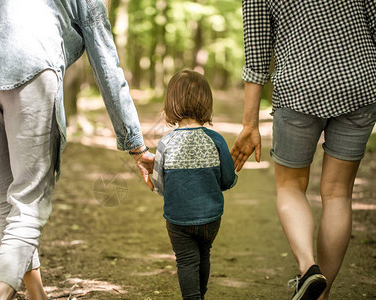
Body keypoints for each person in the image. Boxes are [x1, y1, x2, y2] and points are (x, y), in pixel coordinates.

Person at [0, 0, 154, 299]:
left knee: (1, 190)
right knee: (29, 200)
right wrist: (135, 145)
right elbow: (107, 64)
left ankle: (36, 293)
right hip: (28, 57)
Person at [232, 1, 376, 299]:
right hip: (359, 83)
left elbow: (257, 59)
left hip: (298, 88)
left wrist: (249, 125)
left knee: (290, 187)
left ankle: (309, 268)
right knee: (337, 193)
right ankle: (319, 295)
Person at [152, 70, 237, 300]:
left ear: (171, 104)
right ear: (206, 102)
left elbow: (158, 184)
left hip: (178, 219)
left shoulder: (166, 143)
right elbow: (228, 179)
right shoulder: (216, 139)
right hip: (210, 218)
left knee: (186, 260)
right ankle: (201, 294)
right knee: (204, 253)